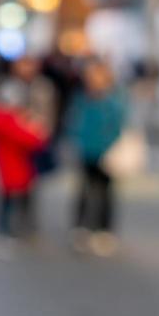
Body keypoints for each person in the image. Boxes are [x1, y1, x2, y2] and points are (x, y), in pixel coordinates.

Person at [0, 81, 50, 258]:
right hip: (17, 167)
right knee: (12, 201)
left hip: (6, 167)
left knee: (6, 200)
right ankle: (7, 232)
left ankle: (9, 230)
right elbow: (34, 140)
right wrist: (36, 127)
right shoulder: (8, 120)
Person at [64, 58, 128, 257]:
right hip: (86, 151)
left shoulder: (114, 101)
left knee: (106, 192)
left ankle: (104, 230)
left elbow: (120, 126)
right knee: (84, 190)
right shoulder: (82, 99)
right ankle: (81, 228)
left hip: (107, 154)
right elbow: (73, 123)